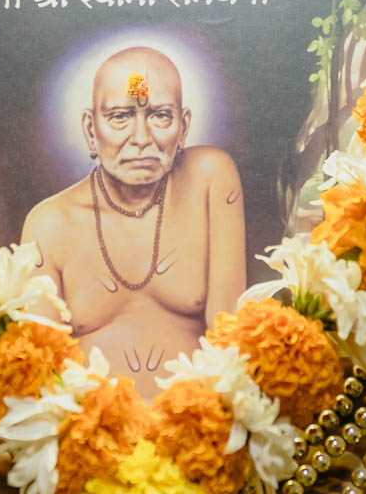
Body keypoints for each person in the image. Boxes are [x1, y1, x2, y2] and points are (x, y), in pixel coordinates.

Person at [22, 45, 246, 398]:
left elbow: (230, 340)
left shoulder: (210, 178)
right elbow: (42, 374)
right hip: (87, 425)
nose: (141, 139)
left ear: (183, 127)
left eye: (160, 115)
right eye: (120, 116)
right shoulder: (49, 223)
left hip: (199, 419)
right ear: (91, 129)